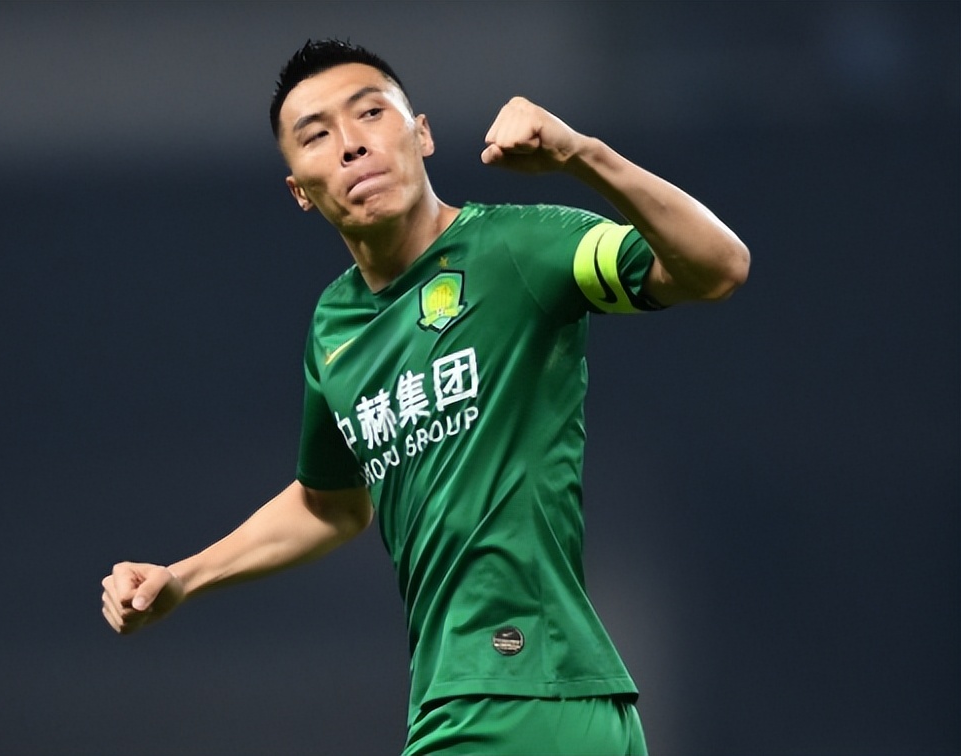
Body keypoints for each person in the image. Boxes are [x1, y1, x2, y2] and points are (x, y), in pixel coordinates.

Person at [100, 38, 749, 756]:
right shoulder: (335, 327)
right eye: (317, 136)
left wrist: (581, 154)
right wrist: (182, 578)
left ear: (423, 134)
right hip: (515, 699)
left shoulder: (516, 248)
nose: (352, 144)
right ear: (299, 191)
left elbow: (718, 267)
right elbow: (329, 504)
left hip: (511, 689)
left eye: (370, 113)